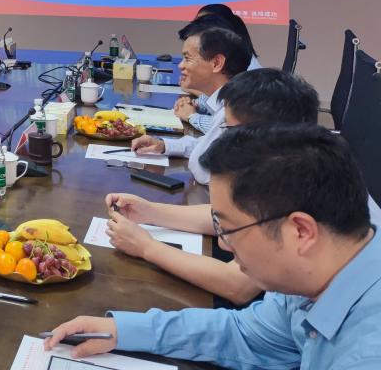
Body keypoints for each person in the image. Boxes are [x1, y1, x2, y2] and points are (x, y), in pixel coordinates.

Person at [44, 124, 381, 368]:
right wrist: (122, 330)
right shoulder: (318, 273)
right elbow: (245, 335)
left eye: (228, 228)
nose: (222, 243)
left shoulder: (367, 354)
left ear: (301, 232)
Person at [104, 69, 321, 305]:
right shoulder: (281, 161)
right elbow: (228, 217)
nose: (221, 138)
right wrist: (149, 212)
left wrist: (146, 247)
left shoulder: (296, 183)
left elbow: (237, 285)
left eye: (227, 129)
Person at [131, 24, 251, 184]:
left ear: (217, 63)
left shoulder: (234, 111)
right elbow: (209, 145)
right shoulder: (227, 100)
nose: (180, 65)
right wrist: (164, 145)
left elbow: (203, 170)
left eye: (187, 58)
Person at [182, 9, 261, 133]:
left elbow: (222, 131)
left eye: (187, 58)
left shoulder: (241, 92)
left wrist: (191, 116)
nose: (181, 65)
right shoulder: (226, 90)